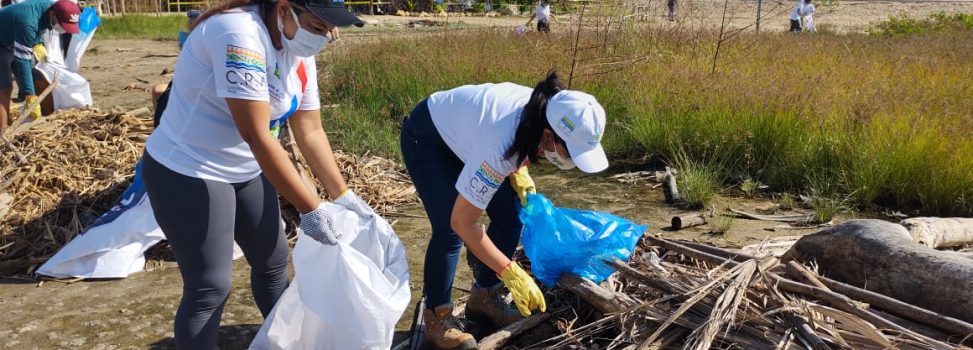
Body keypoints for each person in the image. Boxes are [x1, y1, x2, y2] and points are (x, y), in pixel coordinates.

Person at [140, 0, 364, 348]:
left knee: (273, 262)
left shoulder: (298, 52)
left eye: (332, 28)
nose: (328, 37)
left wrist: (344, 196)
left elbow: (310, 131)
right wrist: (311, 209)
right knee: (209, 286)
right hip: (189, 169)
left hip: (247, 166)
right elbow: (258, 135)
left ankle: (289, 343)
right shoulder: (238, 34)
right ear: (286, 9)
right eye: (319, 27)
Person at [400, 71, 609, 349]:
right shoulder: (501, 146)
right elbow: (464, 222)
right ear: (549, 135)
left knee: (512, 216)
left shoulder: (543, 111)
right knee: (449, 230)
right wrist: (509, 270)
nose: (571, 159)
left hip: (471, 139)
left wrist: (519, 172)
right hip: (429, 140)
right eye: (570, 152)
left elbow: (514, 138)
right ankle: (437, 318)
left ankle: (484, 298)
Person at [0, 0, 80, 131]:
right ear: (52, 14)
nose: (62, 28)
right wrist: (29, 95)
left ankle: (38, 116)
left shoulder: (48, 10)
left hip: (12, 38)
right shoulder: (28, 22)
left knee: (36, 76)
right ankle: (3, 128)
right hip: (2, 43)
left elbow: (40, 27)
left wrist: (38, 43)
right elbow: (22, 60)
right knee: (5, 85)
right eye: (62, 24)